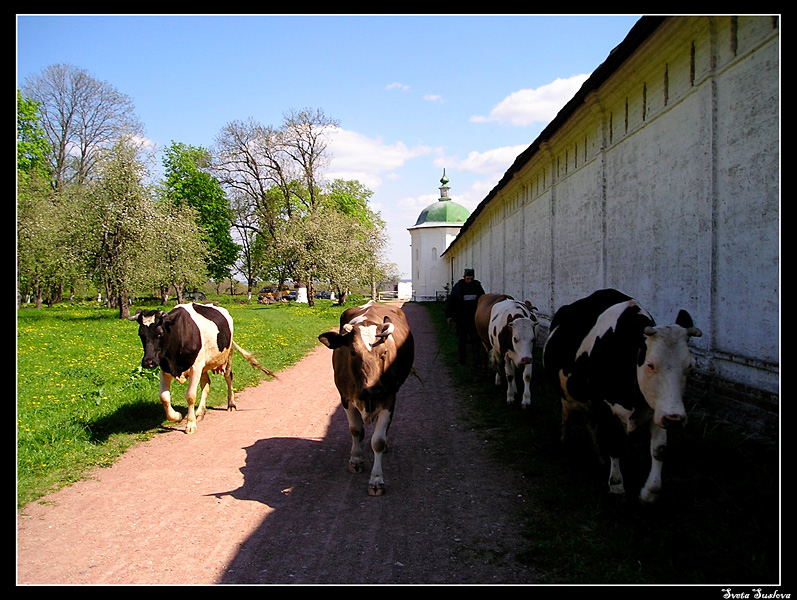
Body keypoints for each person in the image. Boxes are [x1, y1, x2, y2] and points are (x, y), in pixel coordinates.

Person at [446, 268, 485, 366]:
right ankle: (462, 361)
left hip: (474, 318)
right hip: (461, 318)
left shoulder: (477, 286)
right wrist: (449, 316)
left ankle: (477, 362)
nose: (469, 281)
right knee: (461, 340)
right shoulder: (458, 287)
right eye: (468, 279)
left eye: (471, 279)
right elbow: (451, 301)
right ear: (464, 277)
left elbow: (482, 300)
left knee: (475, 340)